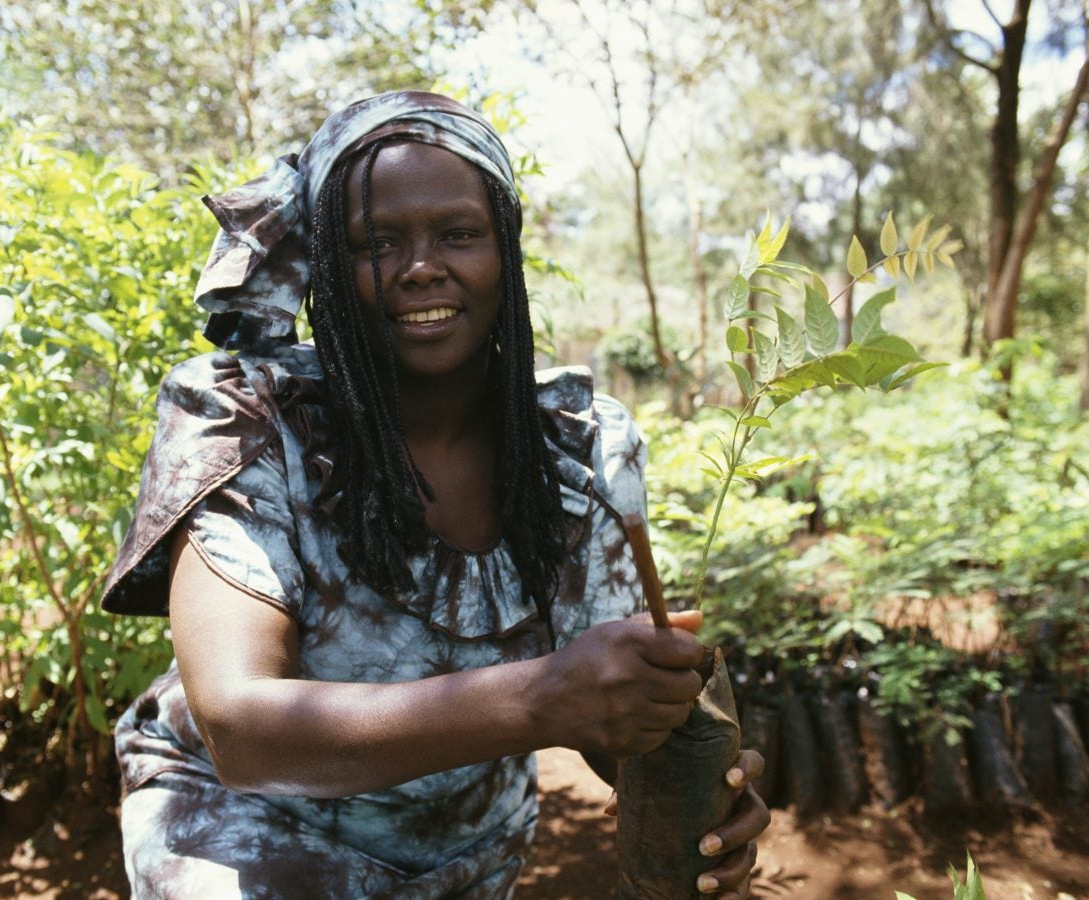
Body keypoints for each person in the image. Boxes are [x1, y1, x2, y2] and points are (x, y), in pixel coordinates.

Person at [102, 90, 769, 899]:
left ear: (505, 253)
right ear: (326, 265)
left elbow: (607, 715)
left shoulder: (578, 445)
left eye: (459, 234)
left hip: (465, 838)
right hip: (244, 830)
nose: (421, 267)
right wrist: (542, 698)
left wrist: (692, 780)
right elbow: (243, 733)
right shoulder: (249, 420)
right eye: (375, 242)